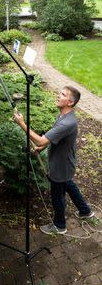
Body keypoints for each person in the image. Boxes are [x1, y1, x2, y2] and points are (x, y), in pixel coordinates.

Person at [14, 85, 94, 235]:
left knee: (58, 196)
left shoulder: (66, 123)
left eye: (62, 94)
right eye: (59, 93)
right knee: (69, 185)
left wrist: (21, 124)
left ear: (70, 102)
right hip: (66, 164)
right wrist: (42, 149)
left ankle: (60, 225)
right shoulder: (64, 116)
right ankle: (86, 211)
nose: (58, 95)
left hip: (60, 167)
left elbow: (40, 140)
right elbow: (52, 138)